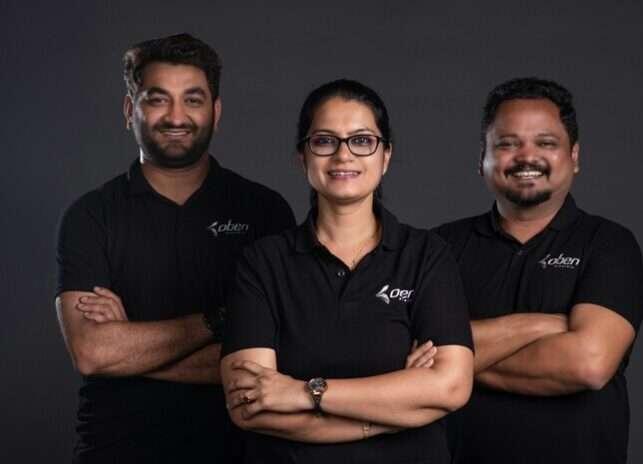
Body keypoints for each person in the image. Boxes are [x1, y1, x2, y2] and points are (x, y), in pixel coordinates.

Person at [54, 33, 295, 463]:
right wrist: (220, 321)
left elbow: (275, 360)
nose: (176, 116)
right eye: (158, 99)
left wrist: (130, 351)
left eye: (193, 100)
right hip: (115, 451)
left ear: (216, 112)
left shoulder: (264, 210)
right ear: (130, 110)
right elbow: (92, 353)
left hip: (239, 453)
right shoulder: (91, 215)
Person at [220, 79, 474, 463]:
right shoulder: (263, 262)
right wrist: (398, 412)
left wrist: (305, 392)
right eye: (325, 141)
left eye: (362, 140)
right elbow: (249, 407)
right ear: (302, 156)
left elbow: (451, 388)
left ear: (385, 156)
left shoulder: (427, 255)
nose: (343, 155)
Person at [435, 77, 643, 464]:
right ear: (482, 158)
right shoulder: (438, 248)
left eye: (546, 143)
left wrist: (451, 364)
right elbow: (404, 353)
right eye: (507, 144)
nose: (526, 157)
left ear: (574, 157)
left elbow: (588, 363)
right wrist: (542, 325)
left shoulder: (609, 244)